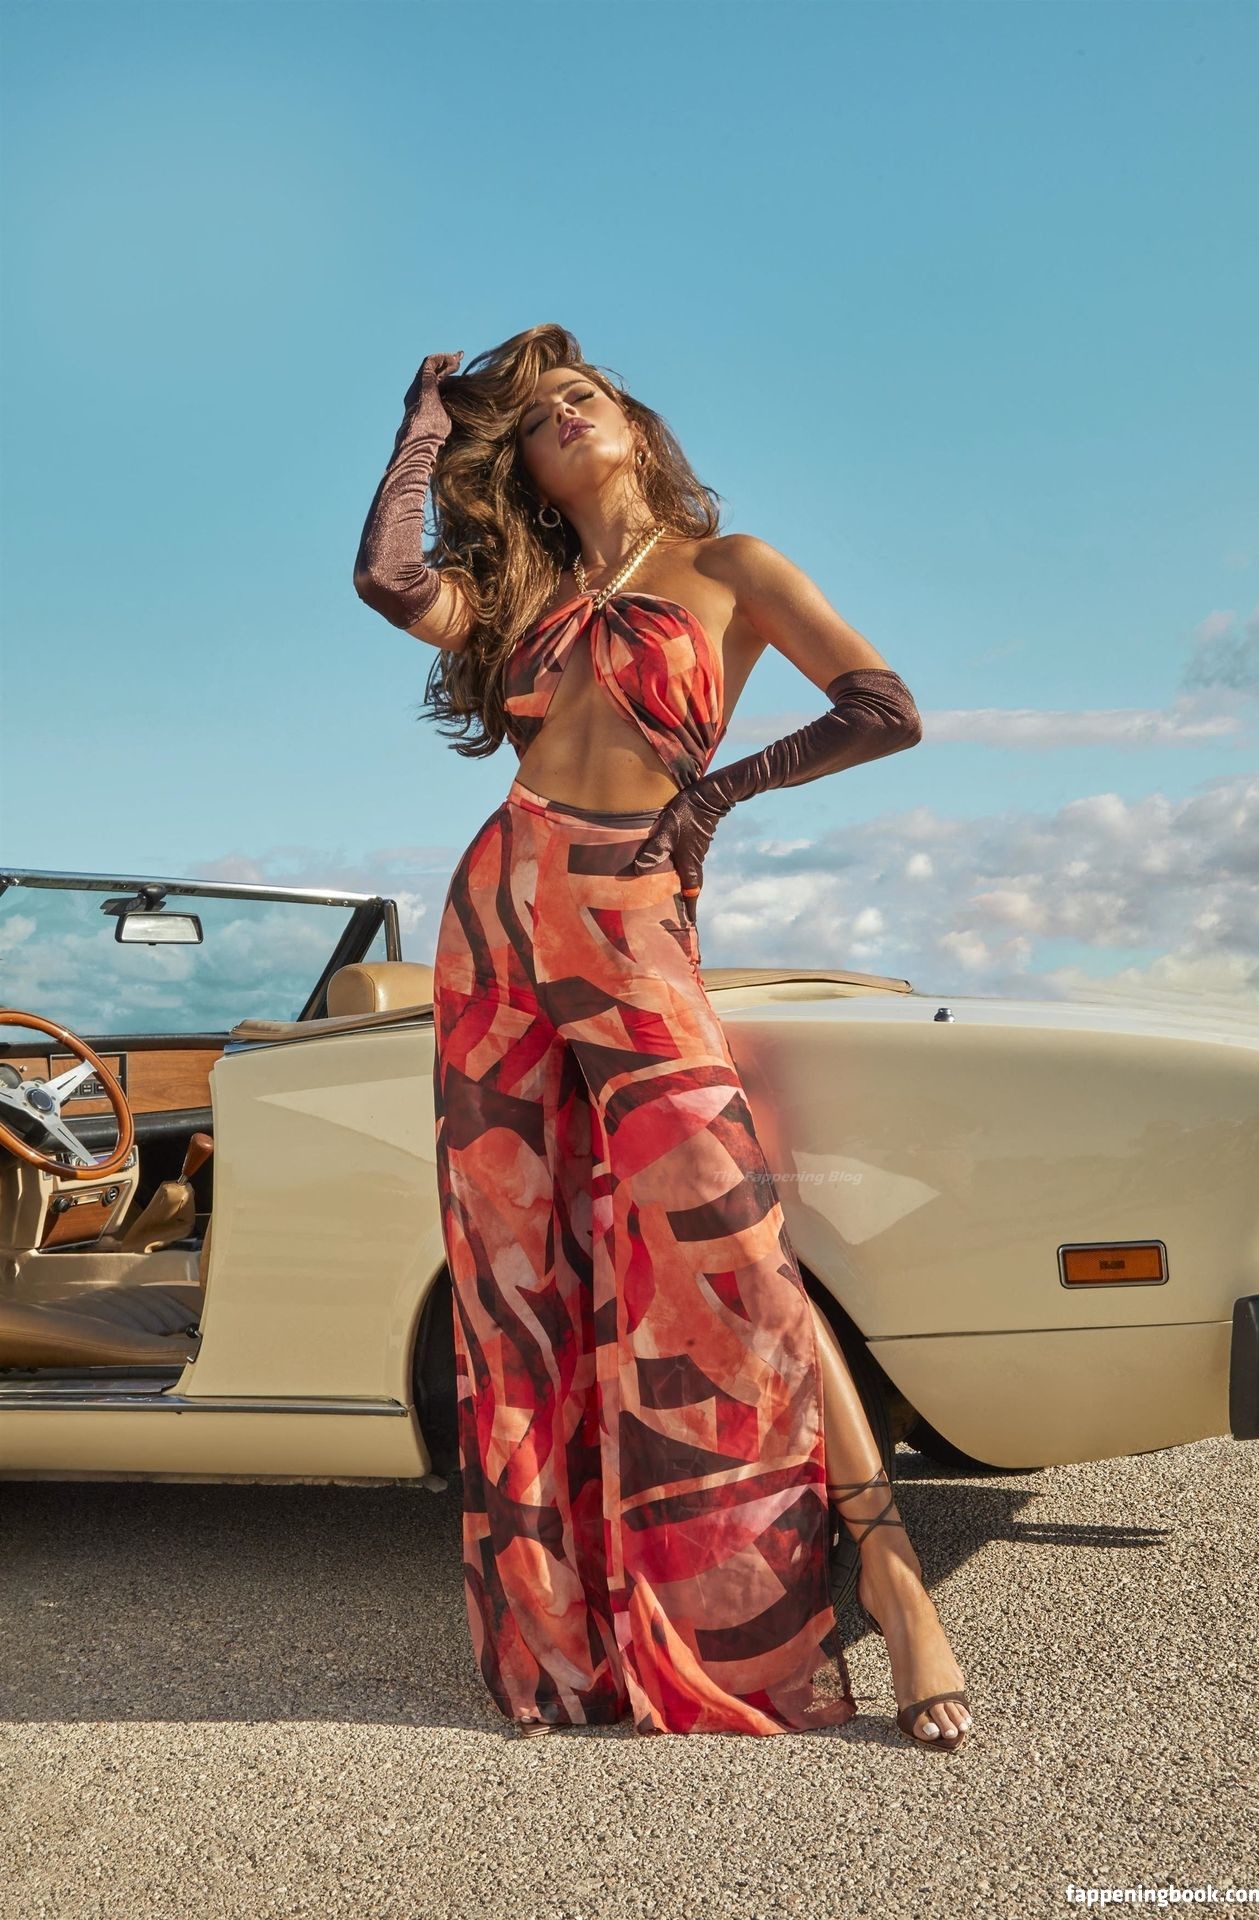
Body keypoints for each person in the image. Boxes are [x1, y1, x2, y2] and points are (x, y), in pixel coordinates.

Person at [353, 326, 972, 1750]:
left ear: (633, 422)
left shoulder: (731, 565)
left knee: (731, 1240)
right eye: (540, 417)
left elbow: (884, 710)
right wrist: (422, 432)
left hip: (630, 904)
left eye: (585, 396)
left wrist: (711, 800)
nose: (566, 417)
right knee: (517, 1262)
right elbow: (389, 581)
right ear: (525, 466)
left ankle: (889, 1576)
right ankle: (568, 1630)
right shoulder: (527, 595)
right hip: (496, 914)